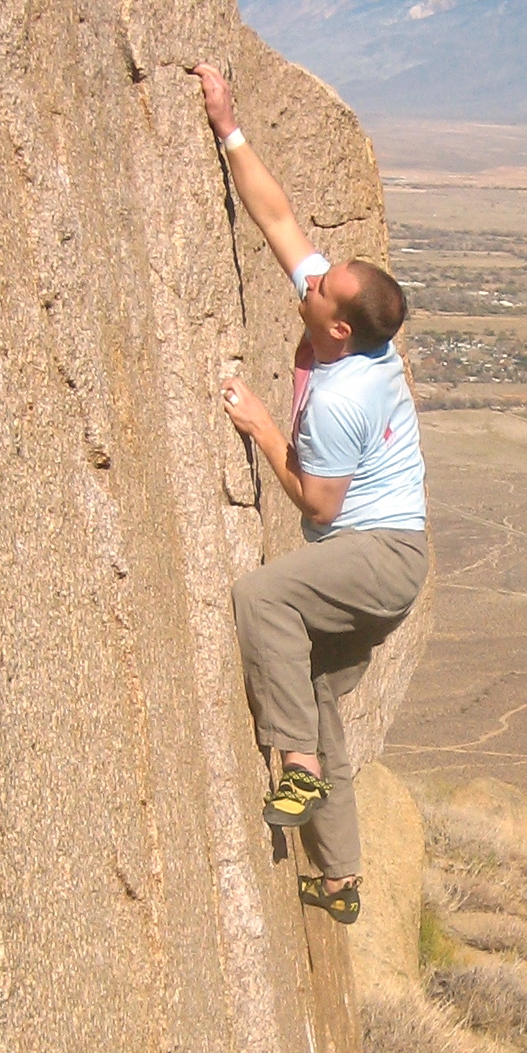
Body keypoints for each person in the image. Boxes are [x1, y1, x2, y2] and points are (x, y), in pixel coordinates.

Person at [193, 63, 428, 925]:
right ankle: (339, 874)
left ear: (337, 325)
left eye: (325, 285)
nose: (313, 276)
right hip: (392, 562)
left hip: (377, 556)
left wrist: (261, 423)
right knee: (321, 692)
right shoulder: (349, 334)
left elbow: (320, 507)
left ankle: (294, 764)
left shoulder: (339, 397)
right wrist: (229, 127)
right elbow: (281, 218)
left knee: (263, 599)